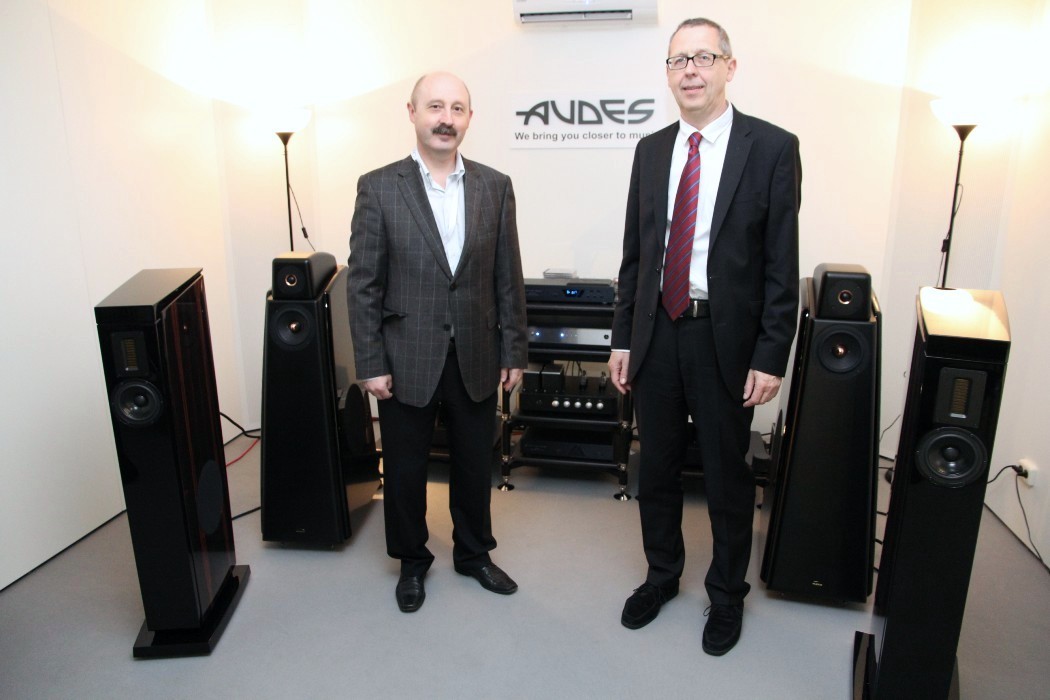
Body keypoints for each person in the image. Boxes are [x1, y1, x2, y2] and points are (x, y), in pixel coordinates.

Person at [608, 18, 801, 655]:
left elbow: (781, 265)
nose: (689, 70)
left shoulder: (771, 148)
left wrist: (771, 355)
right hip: (657, 335)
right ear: (668, 74)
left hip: (726, 341)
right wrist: (622, 339)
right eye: (677, 60)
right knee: (656, 467)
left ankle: (726, 594)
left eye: (703, 58)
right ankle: (662, 575)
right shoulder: (651, 150)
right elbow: (636, 257)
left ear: (729, 67)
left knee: (725, 476)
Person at [347, 71, 528, 613]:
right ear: (412, 112)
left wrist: (514, 350)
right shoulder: (379, 187)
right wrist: (370, 361)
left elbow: (508, 277)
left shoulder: (495, 186)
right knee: (405, 469)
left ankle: (474, 554)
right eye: (435, 107)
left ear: (469, 118)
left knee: (475, 463)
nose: (446, 119)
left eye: (457, 108)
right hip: (405, 356)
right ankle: (412, 561)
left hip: (477, 351)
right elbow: (363, 283)